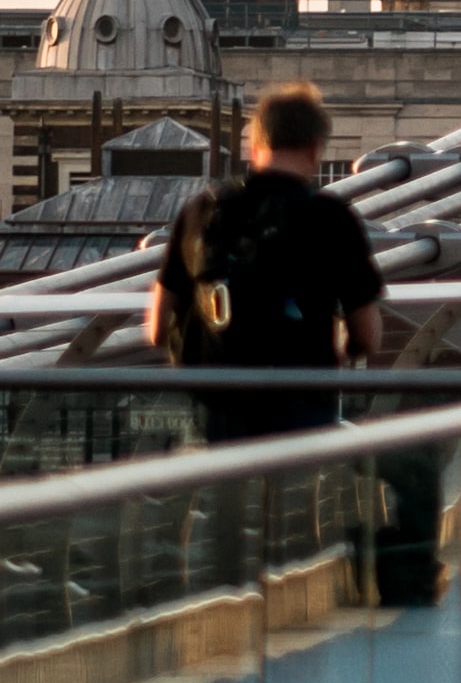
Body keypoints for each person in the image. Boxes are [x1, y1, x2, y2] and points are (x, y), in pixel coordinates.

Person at [144, 83, 392, 440]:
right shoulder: (332, 217)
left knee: (223, 490)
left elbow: (156, 329)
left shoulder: (203, 209)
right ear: (314, 148)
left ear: (255, 147)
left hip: (217, 407)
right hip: (302, 405)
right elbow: (367, 335)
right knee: (300, 489)